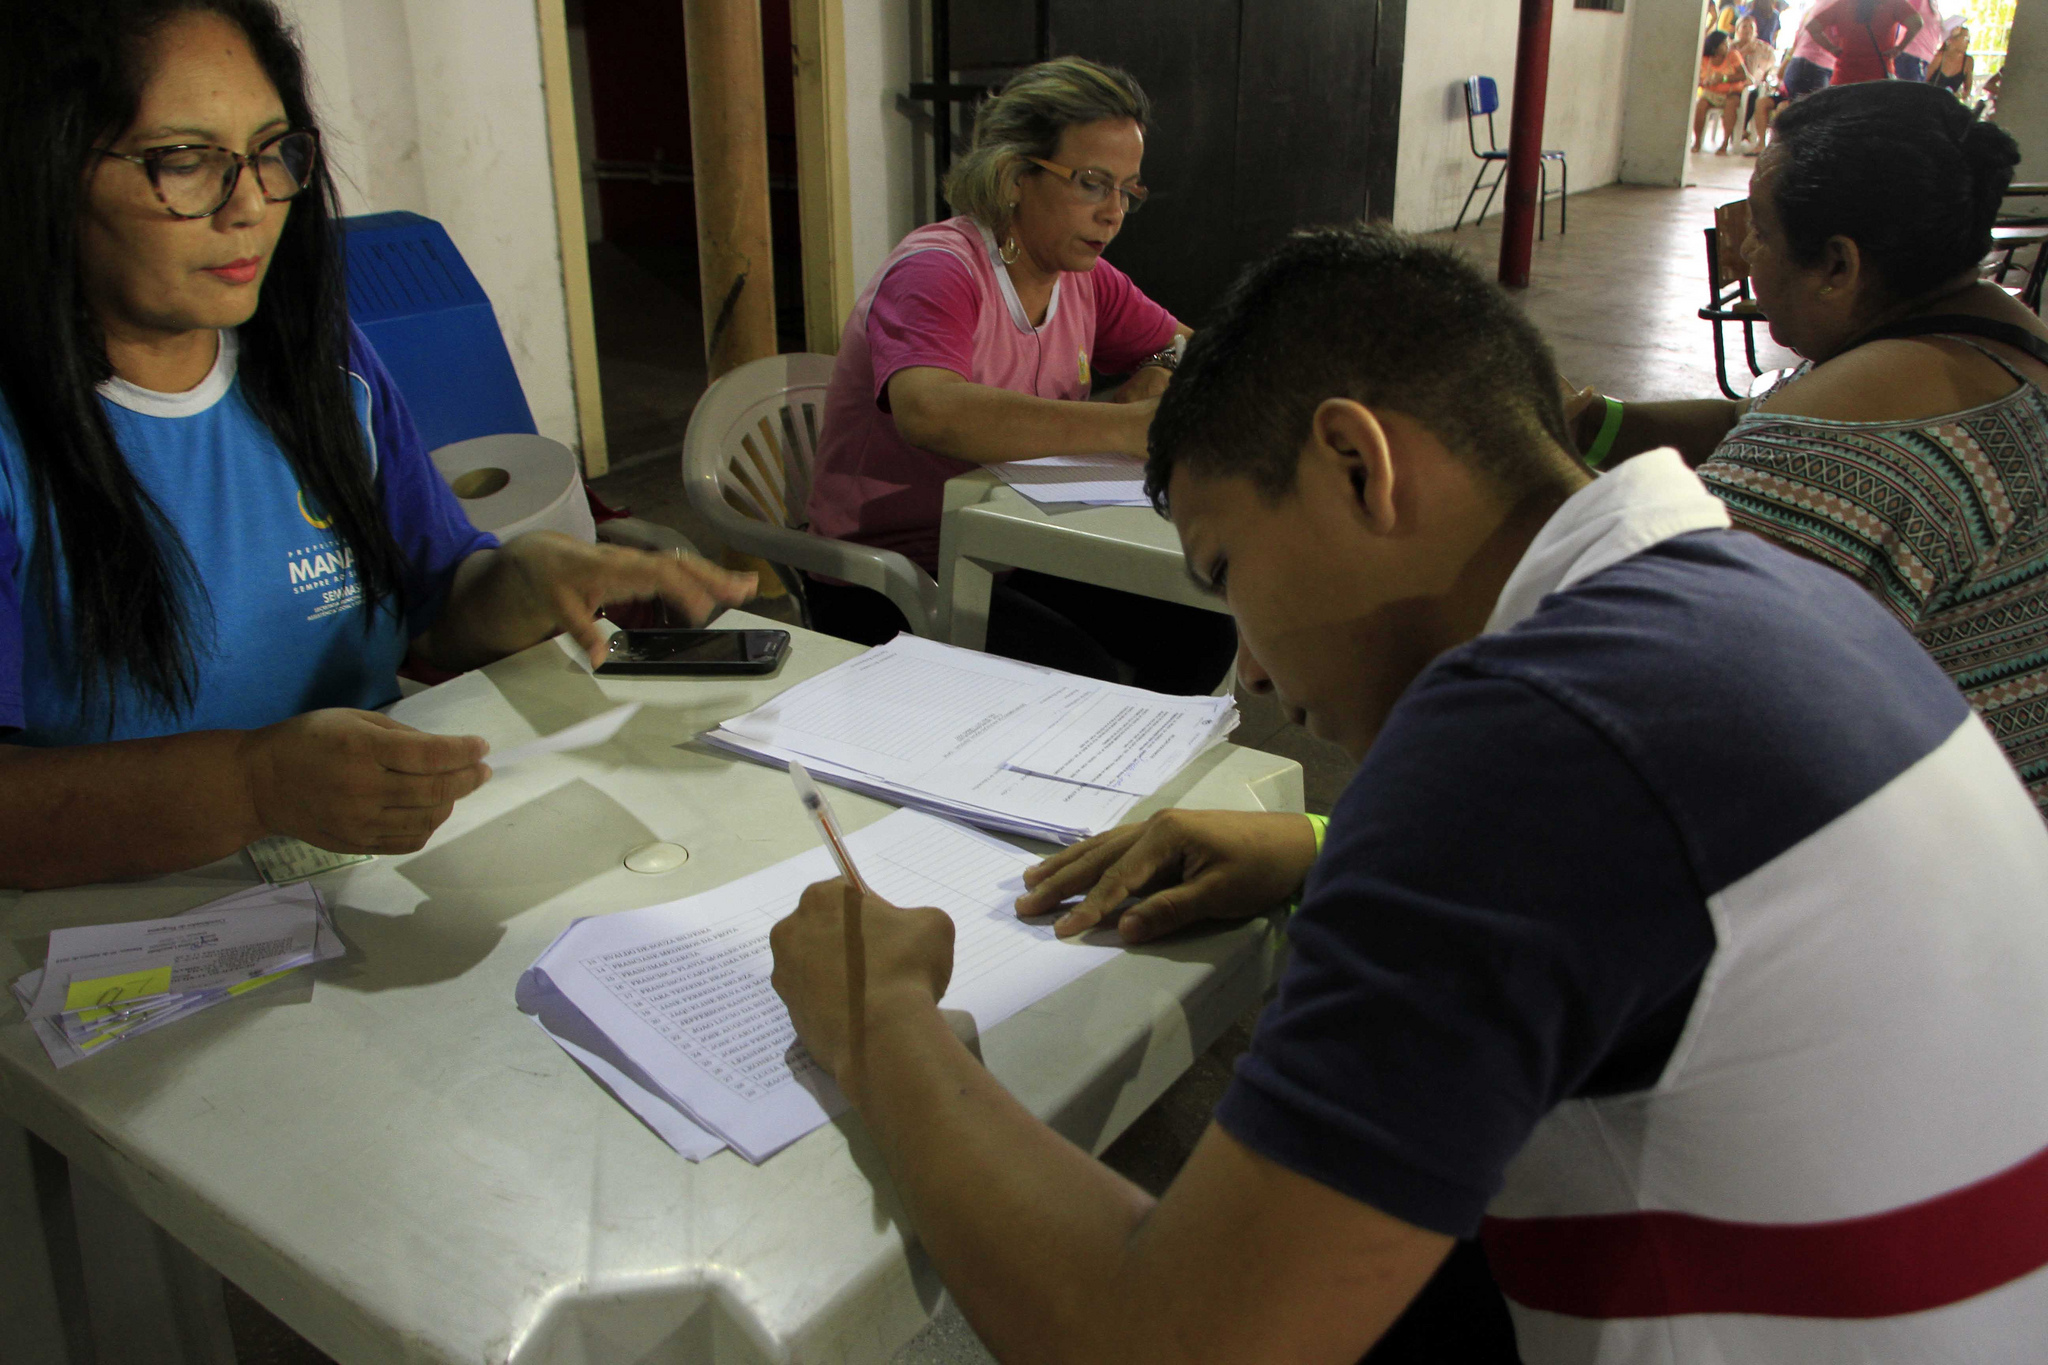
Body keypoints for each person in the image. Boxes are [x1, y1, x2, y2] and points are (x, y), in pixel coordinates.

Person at [768, 223, 2048, 1364]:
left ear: (1353, 463)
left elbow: (1166, 1342)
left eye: (1226, 573)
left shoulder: (1519, 740)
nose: (1254, 671)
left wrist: (880, 1024)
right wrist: (1320, 847)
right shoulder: (1750, 596)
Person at [0, 1, 755, 891]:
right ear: (45, 167)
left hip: (359, 876)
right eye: (184, 161)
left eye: (272, 152)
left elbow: (439, 602)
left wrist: (528, 575)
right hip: (112, 931)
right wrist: (256, 784)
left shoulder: (321, 367)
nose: (249, 205)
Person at [1567, 82, 2048, 816]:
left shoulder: (1834, 459)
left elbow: (1663, 694)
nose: (1743, 248)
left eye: (1758, 226)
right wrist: (1595, 422)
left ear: (1837, 266)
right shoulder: (2003, 333)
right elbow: (1753, 415)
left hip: (1934, 864)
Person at [804, 57, 1234, 695]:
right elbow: (932, 412)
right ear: (1012, 176)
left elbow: (1196, 350)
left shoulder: (1083, 279)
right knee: (1073, 677)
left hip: (1016, 544)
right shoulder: (939, 270)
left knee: (1201, 630)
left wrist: (1165, 364)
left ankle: (1132, 777)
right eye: (1092, 183)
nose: (1113, 213)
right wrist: (1124, 426)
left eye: (1127, 189)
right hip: (893, 569)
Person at [1748, 14, 1838, 149]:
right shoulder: (1793, 56)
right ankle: (1761, 144)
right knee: (1761, 102)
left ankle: (1777, 146)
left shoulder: (1813, 64)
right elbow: (1779, 75)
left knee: (1783, 107)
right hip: (1784, 92)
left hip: (1796, 96)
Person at [1804, 0, 1923, 84]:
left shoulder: (1843, 4)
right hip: (1879, 78)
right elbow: (1917, 23)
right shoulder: (1893, 3)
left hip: (1844, 78)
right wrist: (1899, 48)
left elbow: (1812, 27)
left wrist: (1831, 48)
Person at [1694, 30, 1751, 154]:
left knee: (1731, 106)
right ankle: (1697, 142)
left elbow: (1743, 75)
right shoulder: (1704, 58)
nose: (1727, 45)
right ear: (1715, 47)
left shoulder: (1733, 55)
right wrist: (1705, 82)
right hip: (1711, 93)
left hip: (1731, 92)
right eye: (1724, 43)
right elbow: (1699, 78)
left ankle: (1724, 144)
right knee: (1700, 106)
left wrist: (1724, 79)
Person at [1730, 15, 1779, 152]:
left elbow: (1768, 67)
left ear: (1756, 30)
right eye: (1744, 26)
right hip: (1734, 85)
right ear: (1737, 30)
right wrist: (1743, 52)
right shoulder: (1731, 47)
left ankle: (1741, 131)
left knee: (1753, 95)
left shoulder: (1763, 48)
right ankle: (1737, 132)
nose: (1747, 30)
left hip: (1754, 86)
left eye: (1750, 27)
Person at [1895, 0, 1946, 81]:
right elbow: (1905, 19)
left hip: (1925, 58)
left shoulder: (1934, 4)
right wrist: (1900, 47)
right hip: (1910, 56)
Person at [1927, 22, 1975, 95]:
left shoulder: (1968, 61)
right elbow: (1924, 81)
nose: (1968, 42)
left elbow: (1967, 90)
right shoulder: (1939, 58)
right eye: (1966, 38)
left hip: (1949, 102)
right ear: (1953, 40)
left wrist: (1958, 95)